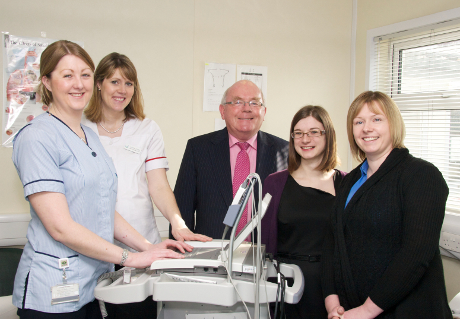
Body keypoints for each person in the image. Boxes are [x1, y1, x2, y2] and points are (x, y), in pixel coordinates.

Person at [11, 40, 190, 319]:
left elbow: (105, 208)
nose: (78, 83)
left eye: (84, 74)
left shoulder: (88, 137)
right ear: (46, 81)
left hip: (91, 284)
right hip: (54, 288)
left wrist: (149, 246)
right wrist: (129, 257)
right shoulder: (37, 136)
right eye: (67, 75)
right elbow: (59, 227)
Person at [82, 52, 210, 318]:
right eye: (115, 82)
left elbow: (158, 185)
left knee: (137, 311)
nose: (122, 90)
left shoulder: (146, 129)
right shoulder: (80, 129)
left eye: (129, 83)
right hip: (94, 245)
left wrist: (178, 223)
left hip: (142, 245)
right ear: (98, 84)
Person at [322, 91, 452, 319]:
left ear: (394, 124)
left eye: (377, 119)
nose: (366, 128)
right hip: (351, 311)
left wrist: (366, 311)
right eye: (359, 121)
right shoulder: (349, 181)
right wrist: (332, 303)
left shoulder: (422, 176)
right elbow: (333, 244)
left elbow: (415, 254)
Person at [173, 80, 289, 240]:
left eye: (254, 103)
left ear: (264, 112)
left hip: (264, 256)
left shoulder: (284, 151)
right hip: (211, 255)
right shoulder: (198, 149)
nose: (247, 108)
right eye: (238, 102)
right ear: (222, 111)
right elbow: (181, 211)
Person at [261, 105, 344, 318]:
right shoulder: (274, 183)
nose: (305, 139)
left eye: (314, 132)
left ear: (328, 136)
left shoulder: (347, 183)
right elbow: (261, 239)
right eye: (298, 133)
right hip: (285, 285)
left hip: (332, 287)